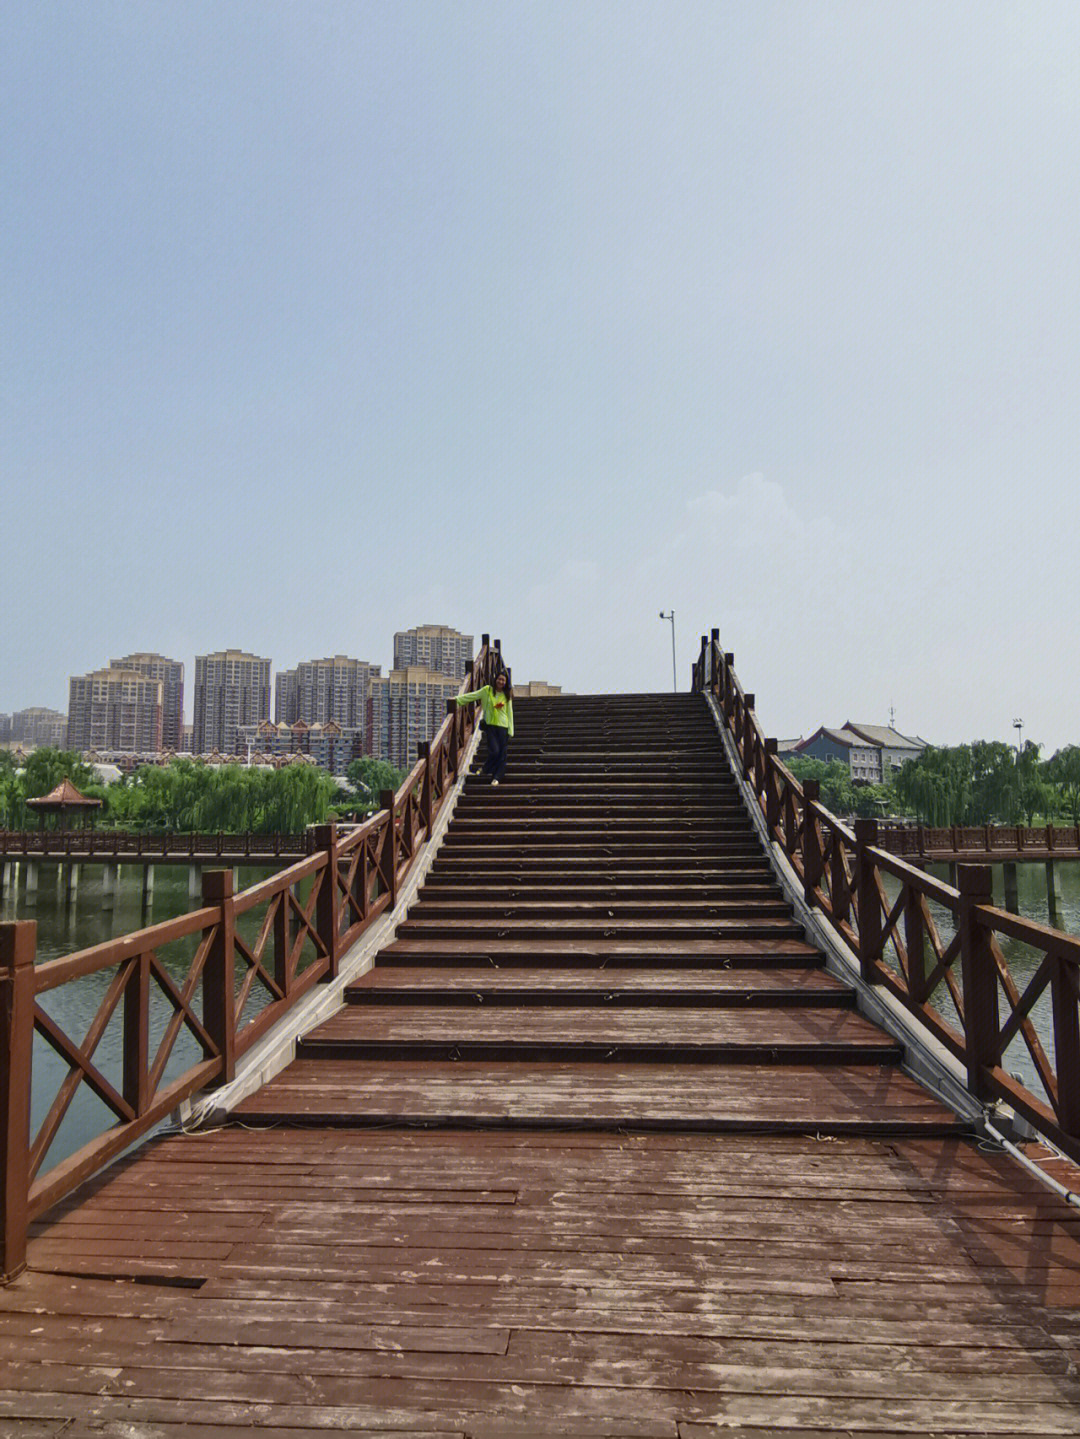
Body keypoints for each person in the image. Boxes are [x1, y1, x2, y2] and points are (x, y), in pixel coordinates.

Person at [456, 670, 513, 783]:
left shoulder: (506, 695)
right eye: (499, 679)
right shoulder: (487, 690)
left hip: (503, 727)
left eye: (503, 680)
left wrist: (511, 730)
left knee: (502, 754)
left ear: (506, 682)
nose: (500, 682)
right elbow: (473, 696)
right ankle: (486, 769)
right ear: (495, 679)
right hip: (490, 726)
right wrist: (458, 700)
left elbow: (509, 713)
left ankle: (496, 777)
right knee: (494, 751)